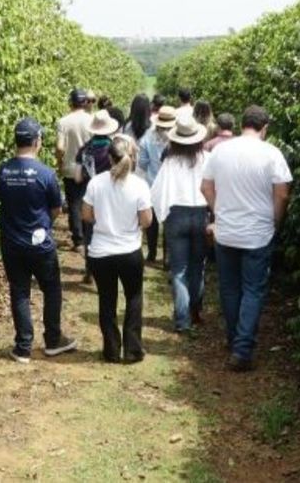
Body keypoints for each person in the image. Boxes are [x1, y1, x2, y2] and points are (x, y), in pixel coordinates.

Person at [201, 106, 292, 372]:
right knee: (253, 289)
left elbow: (205, 187)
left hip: (227, 231)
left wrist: (220, 211)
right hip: (258, 233)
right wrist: (275, 221)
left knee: (230, 288)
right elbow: (283, 194)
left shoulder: (221, 150)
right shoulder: (271, 153)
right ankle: (242, 349)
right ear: (265, 128)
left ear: (243, 124)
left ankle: (234, 340)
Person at [0, 117, 78, 363]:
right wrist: (42, 226)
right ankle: (53, 340)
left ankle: (23, 346)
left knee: (19, 291)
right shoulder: (46, 174)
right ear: (37, 141)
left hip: (11, 242)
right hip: (40, 243)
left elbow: (0, 199)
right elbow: (55, 209)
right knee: (51, 288)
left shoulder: (3, 170)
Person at [82, 135, 153, 363]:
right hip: (129, 251)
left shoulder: (96, 183)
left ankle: (111, 349)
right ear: (130, 157)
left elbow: (86, 215)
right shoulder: (139, 185)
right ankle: (133, 349)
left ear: (109, 157)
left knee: (106, 299)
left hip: (101, 252)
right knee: (133, 297)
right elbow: (147, 220)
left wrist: (103, 220)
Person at [151, 116, 209, 333]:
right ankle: (195, 312)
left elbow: (157, 193)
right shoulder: (207, 159)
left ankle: (182, 320)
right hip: (201, 213)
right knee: (197, 267)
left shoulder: (170, 162)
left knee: (179, 269)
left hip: (176, 215)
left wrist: (163, 216)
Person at [75, 109, 120, 283]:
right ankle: (110, 266)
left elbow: (78, 177)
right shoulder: (114, 148)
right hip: (112, 195)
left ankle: (90, 270)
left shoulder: (85, 149)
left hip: (91, 196)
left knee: (91, 233)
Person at [56, 89, 93, 253]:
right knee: (88, 201)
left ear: (70, 103)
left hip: (70, 168)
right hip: (89, 168)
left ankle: (78, 240)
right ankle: (88, 236)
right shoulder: (92, 120)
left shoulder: (63, 122)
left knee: (74, 203)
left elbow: (59, 147)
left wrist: (59, 163)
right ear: (85, 103)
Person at [138, 105, 176, 262]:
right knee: (169, 221)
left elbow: (143, 163)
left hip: (152, 184)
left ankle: (152, 252)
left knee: (152, 221)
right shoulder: (178, 138)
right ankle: (167, 257)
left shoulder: (148, 137)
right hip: (172, 185)